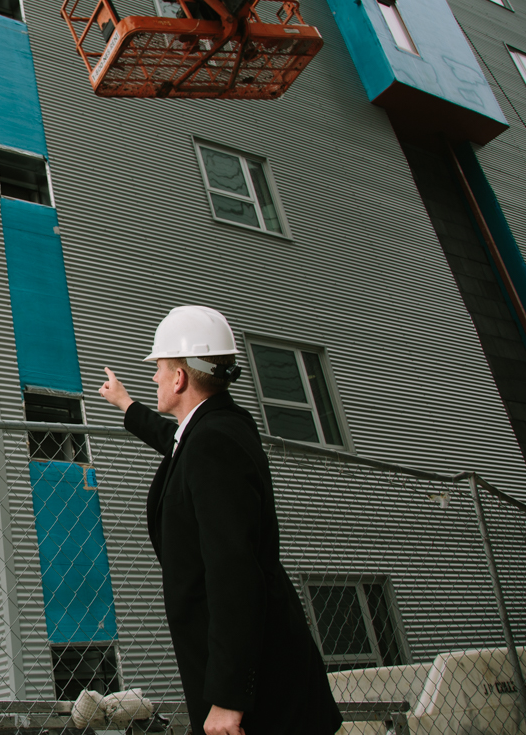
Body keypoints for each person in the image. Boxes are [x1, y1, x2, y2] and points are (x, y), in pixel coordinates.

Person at [98, 306, 342, 735]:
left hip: (259, 700)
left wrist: (228, 699)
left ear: (179, 378)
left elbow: (234, 573)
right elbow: (172, 441)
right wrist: (126, 404)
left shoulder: (212, 444)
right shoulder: (214, 427)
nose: (153, 376)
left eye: (159, 368)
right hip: (258, 681)